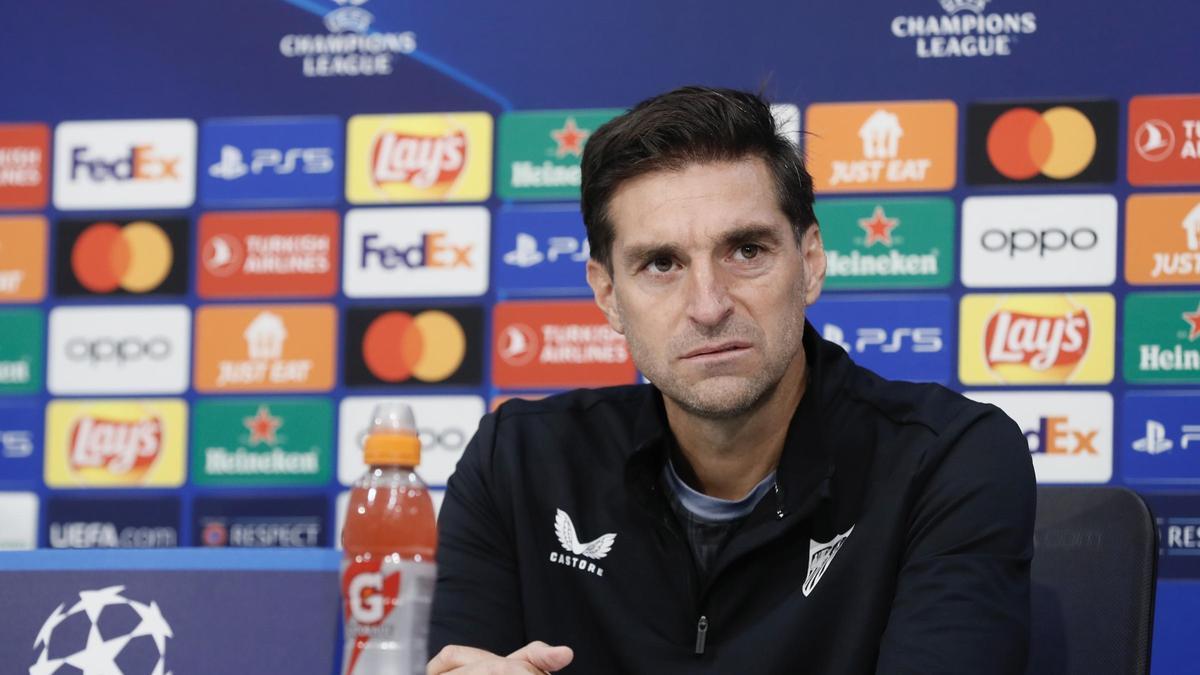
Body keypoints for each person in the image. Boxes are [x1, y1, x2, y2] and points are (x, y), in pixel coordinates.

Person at [427, 86, 1035, 674]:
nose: (709, 305)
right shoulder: (517, 466)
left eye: (746, 251)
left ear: (811, 262)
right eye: (661, 264)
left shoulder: (947, 458)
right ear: (608, 293)